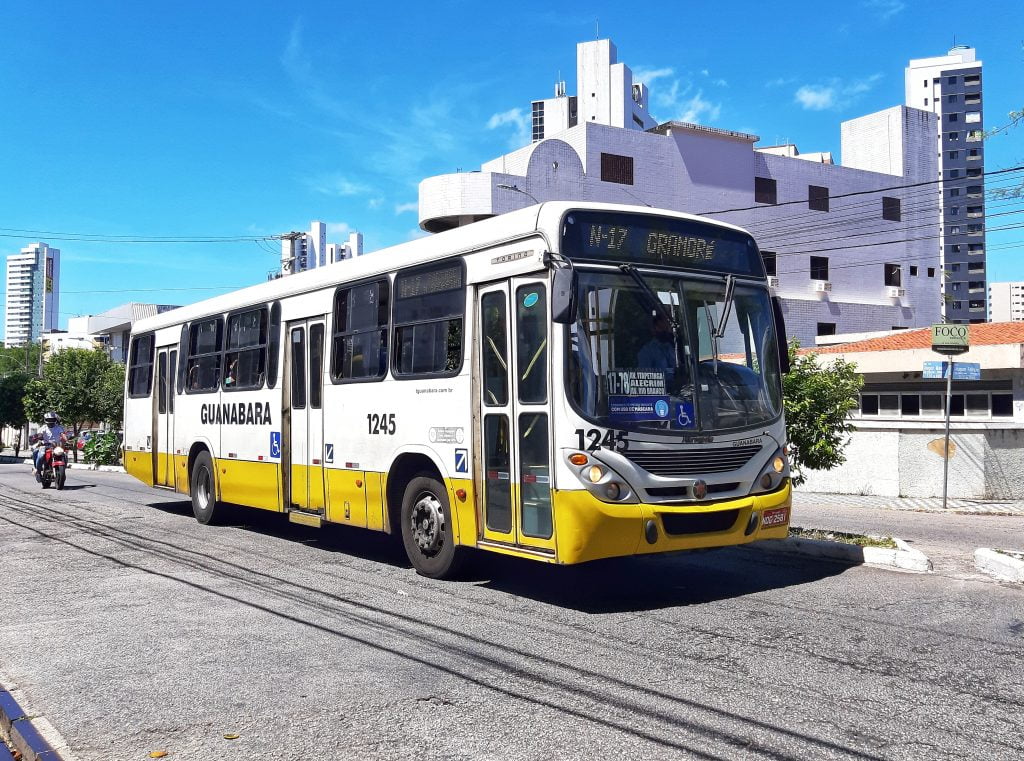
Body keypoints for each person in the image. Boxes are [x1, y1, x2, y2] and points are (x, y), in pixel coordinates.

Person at [33, 411, 66, 477]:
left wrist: (66, 439)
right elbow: (40, 434)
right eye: (49, 419)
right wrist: (39, 437)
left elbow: (62, 434)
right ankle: (38, 472)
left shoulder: (59, 428)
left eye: (52, 419)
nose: (50, 421)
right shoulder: (43, 428)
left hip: (56, 446)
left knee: (64, 455)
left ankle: (63, 470)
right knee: (40, 455)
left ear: (55, 419)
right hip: (45, 446)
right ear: (45, 420)